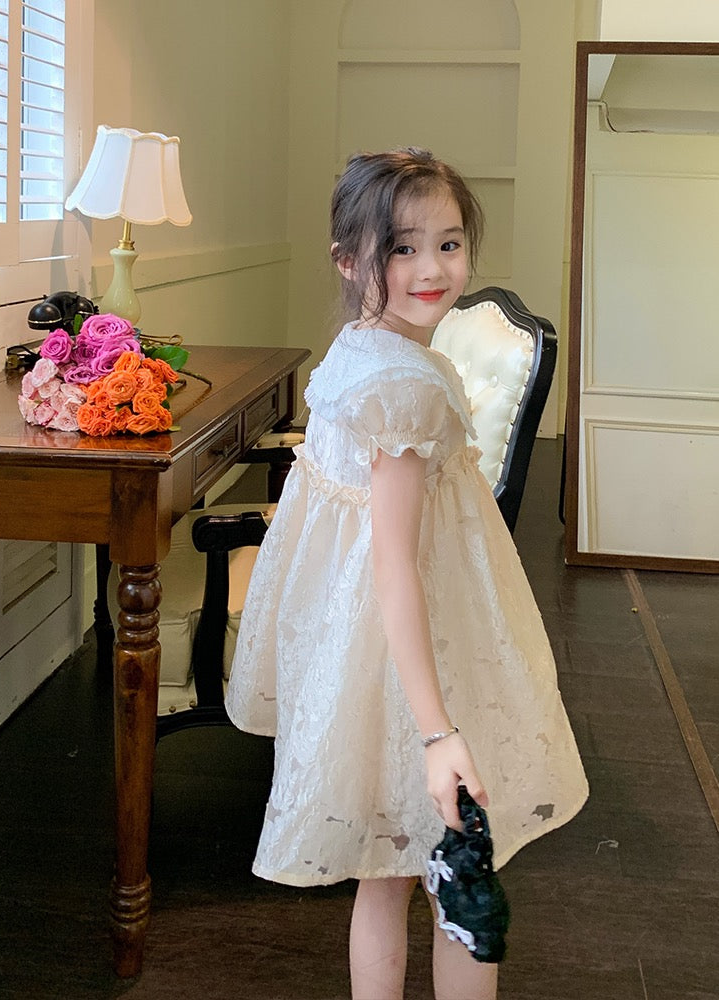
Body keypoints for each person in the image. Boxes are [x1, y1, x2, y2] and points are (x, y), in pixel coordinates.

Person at [226, 148, 589, 1000]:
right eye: (402, 248)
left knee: (385, 873)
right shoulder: (403, 385)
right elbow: (395, 566)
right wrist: (439, 734)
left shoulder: (360, 348)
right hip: (418, 652)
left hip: (362, 644)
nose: (432, 269)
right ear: (349, 261)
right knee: (458, 876)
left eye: (449, 244)